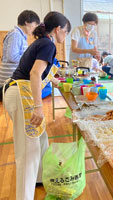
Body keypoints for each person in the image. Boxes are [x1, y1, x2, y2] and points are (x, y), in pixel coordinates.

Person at [3, 11, 71, 200]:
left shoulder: (43, 43)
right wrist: (39, 107)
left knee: (41, 139)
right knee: (28, 153)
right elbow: (34, 74)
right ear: (58, 29)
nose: (64, 36)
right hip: (21, 96)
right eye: (65, 32)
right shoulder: (48, 44)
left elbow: (43, 74)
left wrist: (59, 82)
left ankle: (40, 179)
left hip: (19, 94)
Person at [0, 10, 40, 101]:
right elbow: (12, 56)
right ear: (27, 23)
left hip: (12, 76)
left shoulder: (19, 35)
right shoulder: (16, 34)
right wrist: (29, 60)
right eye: (34, 25)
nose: (35, 29)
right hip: (10, 77)